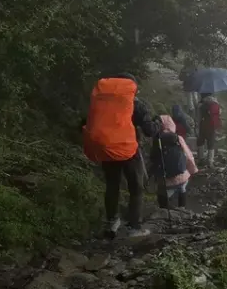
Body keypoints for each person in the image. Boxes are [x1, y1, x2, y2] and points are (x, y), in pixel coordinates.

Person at [82, 73, 160, 239]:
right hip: (128, 150)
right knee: (136, 188)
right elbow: (149, 131)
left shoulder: (102, 102)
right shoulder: (136, 104)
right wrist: (157, 123)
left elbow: (85, 122)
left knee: (112, 186)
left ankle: (112, 222)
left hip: (106, 149)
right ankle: (134, 227)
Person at [150, 114, 198, 208]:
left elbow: (153, 159)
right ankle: (182, 208)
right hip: (182, 176)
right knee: (182, 188)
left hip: (165, 180)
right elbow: (188, 155)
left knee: (162, 194)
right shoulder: (177, 138)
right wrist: (193, 169)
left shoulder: (156, 140)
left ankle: (163, 210)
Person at [196, 92, 221, 168]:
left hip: (203, 125)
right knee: (211, 142)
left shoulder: (202, 105)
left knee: (201, 141)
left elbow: (198, 116)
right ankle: (210, 161)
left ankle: (201, 159)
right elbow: (219, 113)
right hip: (212, 125)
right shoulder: (215, 103)